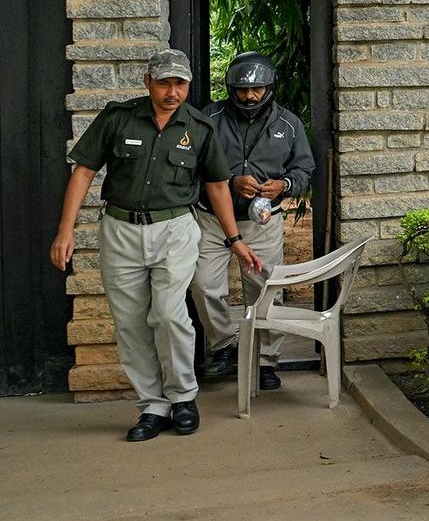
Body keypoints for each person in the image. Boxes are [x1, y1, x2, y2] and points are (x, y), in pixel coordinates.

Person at [50, 49, 263, 442]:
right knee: (130, 323)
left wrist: (234, 240)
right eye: (164, 82)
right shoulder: (118, 118)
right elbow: (83, 172)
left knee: (168, 314)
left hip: (176, 229)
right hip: (121, 230)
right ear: (148, 81)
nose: (172, 91)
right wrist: (66, 231)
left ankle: (182, 397)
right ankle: (152, 405)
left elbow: (217, 186)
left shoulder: (199, 128)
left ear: (188, 85)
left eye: (180, 83)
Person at [192, 50, 316, 392]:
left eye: (258, 89)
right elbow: (192, 163)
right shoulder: (209, 117)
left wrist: (285, 185)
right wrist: (230, 180)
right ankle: (222, 347)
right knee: (203, 284)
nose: (250, 96)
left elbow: (304, 168)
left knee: (264, 291)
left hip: (262, 220)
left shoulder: (289, 123)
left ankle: (265, 362)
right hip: (213, 218)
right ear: (230, 89)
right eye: (243, 90)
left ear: (270, 86)